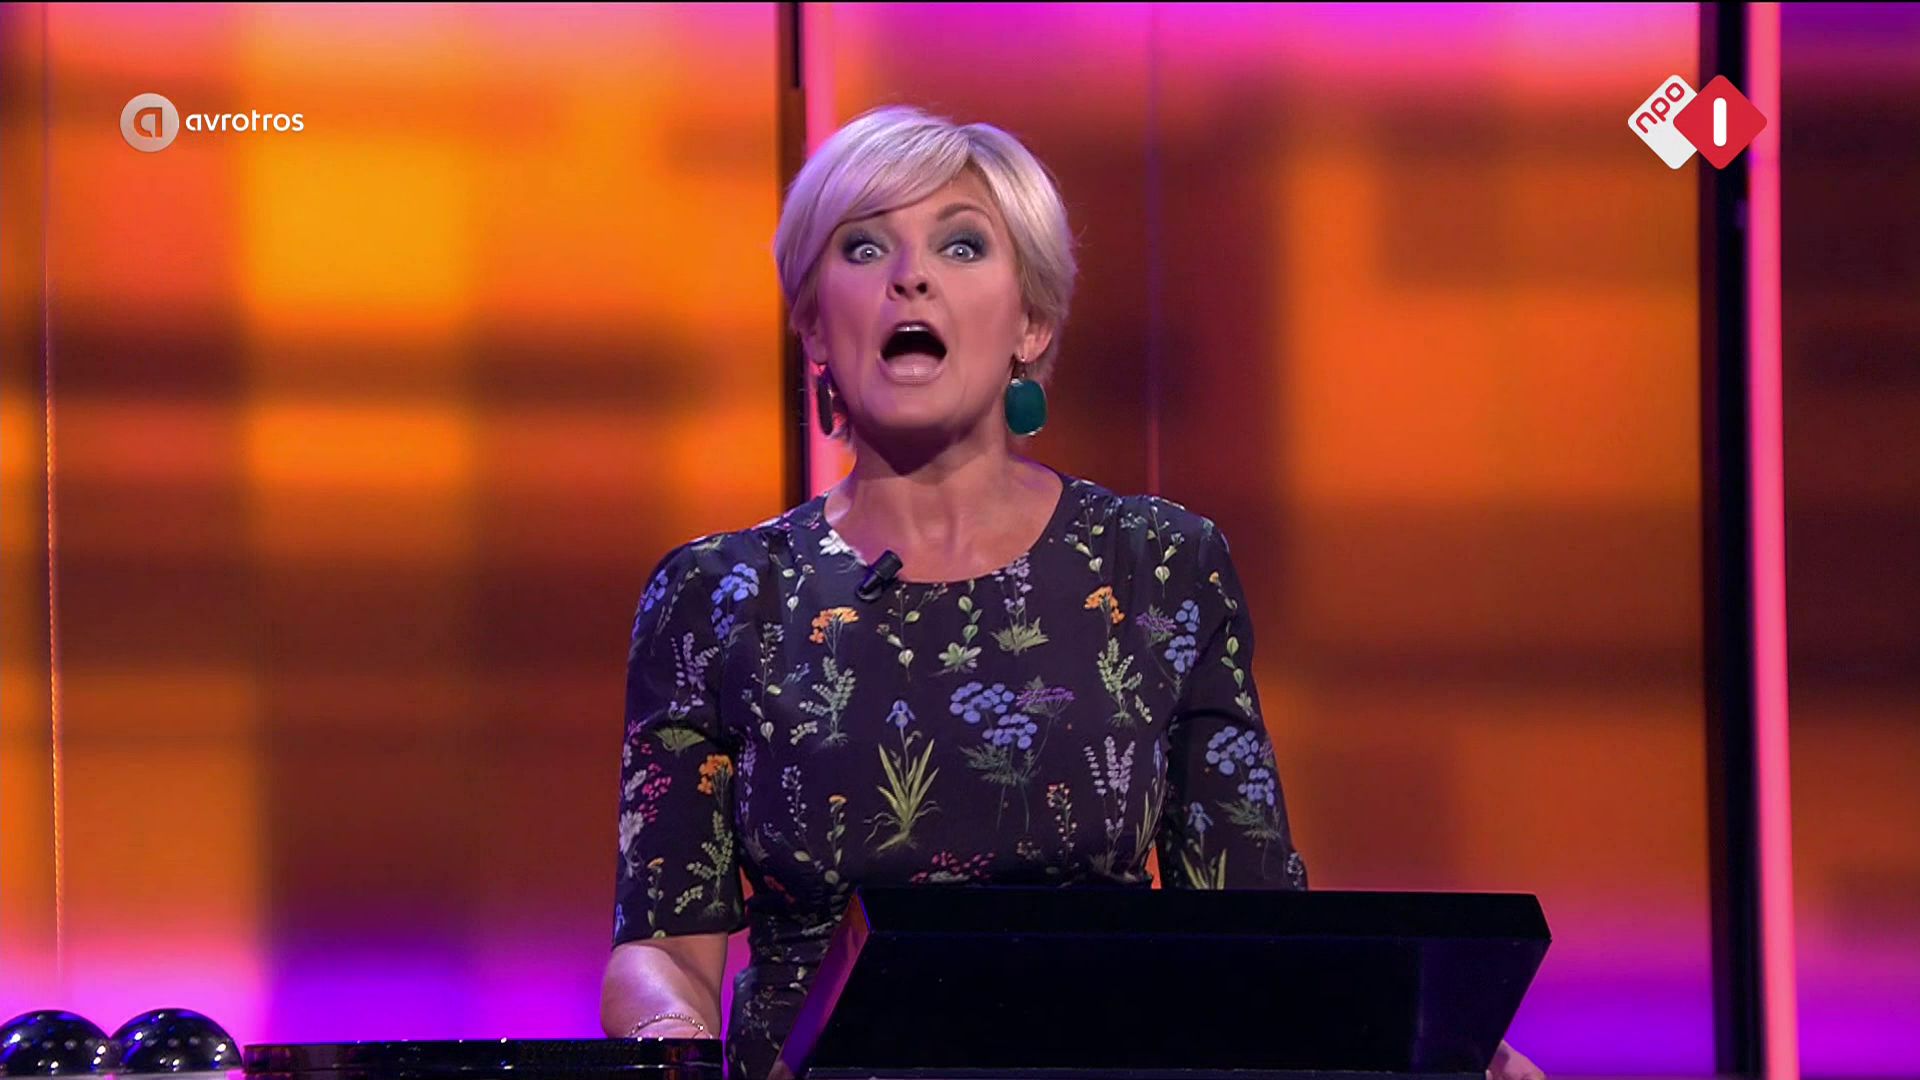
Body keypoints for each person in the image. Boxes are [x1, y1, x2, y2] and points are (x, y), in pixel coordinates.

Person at [600, 104, 1543, 1080]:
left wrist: (1437, 1044)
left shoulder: (1160, 566)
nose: (909, 276)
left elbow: (1253, 921)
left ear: (1032, 322)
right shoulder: (715, 596)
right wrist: (669, 1039)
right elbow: (661, 948)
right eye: (865, 246)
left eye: (962, 245)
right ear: (812, 325)